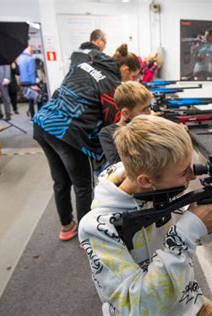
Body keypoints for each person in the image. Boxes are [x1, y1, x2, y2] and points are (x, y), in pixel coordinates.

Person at [79, 115, 212, 315]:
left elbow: (195, 237)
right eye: (184, 173)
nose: (192, 176)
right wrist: (186, 231)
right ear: (146, 180)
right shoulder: (97, 227)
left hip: (192, 303)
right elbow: (137, 307)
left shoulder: (157, 190)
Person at [33, 43, 140, 241]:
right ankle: (86, 235)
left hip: (43, 123)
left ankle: (67, 227)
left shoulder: (86, 63)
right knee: (82, 186)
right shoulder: (111, 84)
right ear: (125, 69)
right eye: (133, 76)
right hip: (69, 133)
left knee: (60, 181)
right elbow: (111, 126)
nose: (131, 81)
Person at [98, 81, 152, 165]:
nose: (149, 113)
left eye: (149, 107)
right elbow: (118, 164)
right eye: (143, 110)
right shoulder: (107, 134)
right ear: (126, 113)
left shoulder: (151, 125)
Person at [17, 46, 38, 118]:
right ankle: (33, 116)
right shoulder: (30, 59)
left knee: (30, 98)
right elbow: (32, 72)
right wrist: (34, 84)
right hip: (30, 81)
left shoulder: (20, 58)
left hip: (23, 81)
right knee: (34, 99)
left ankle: (30, 112)